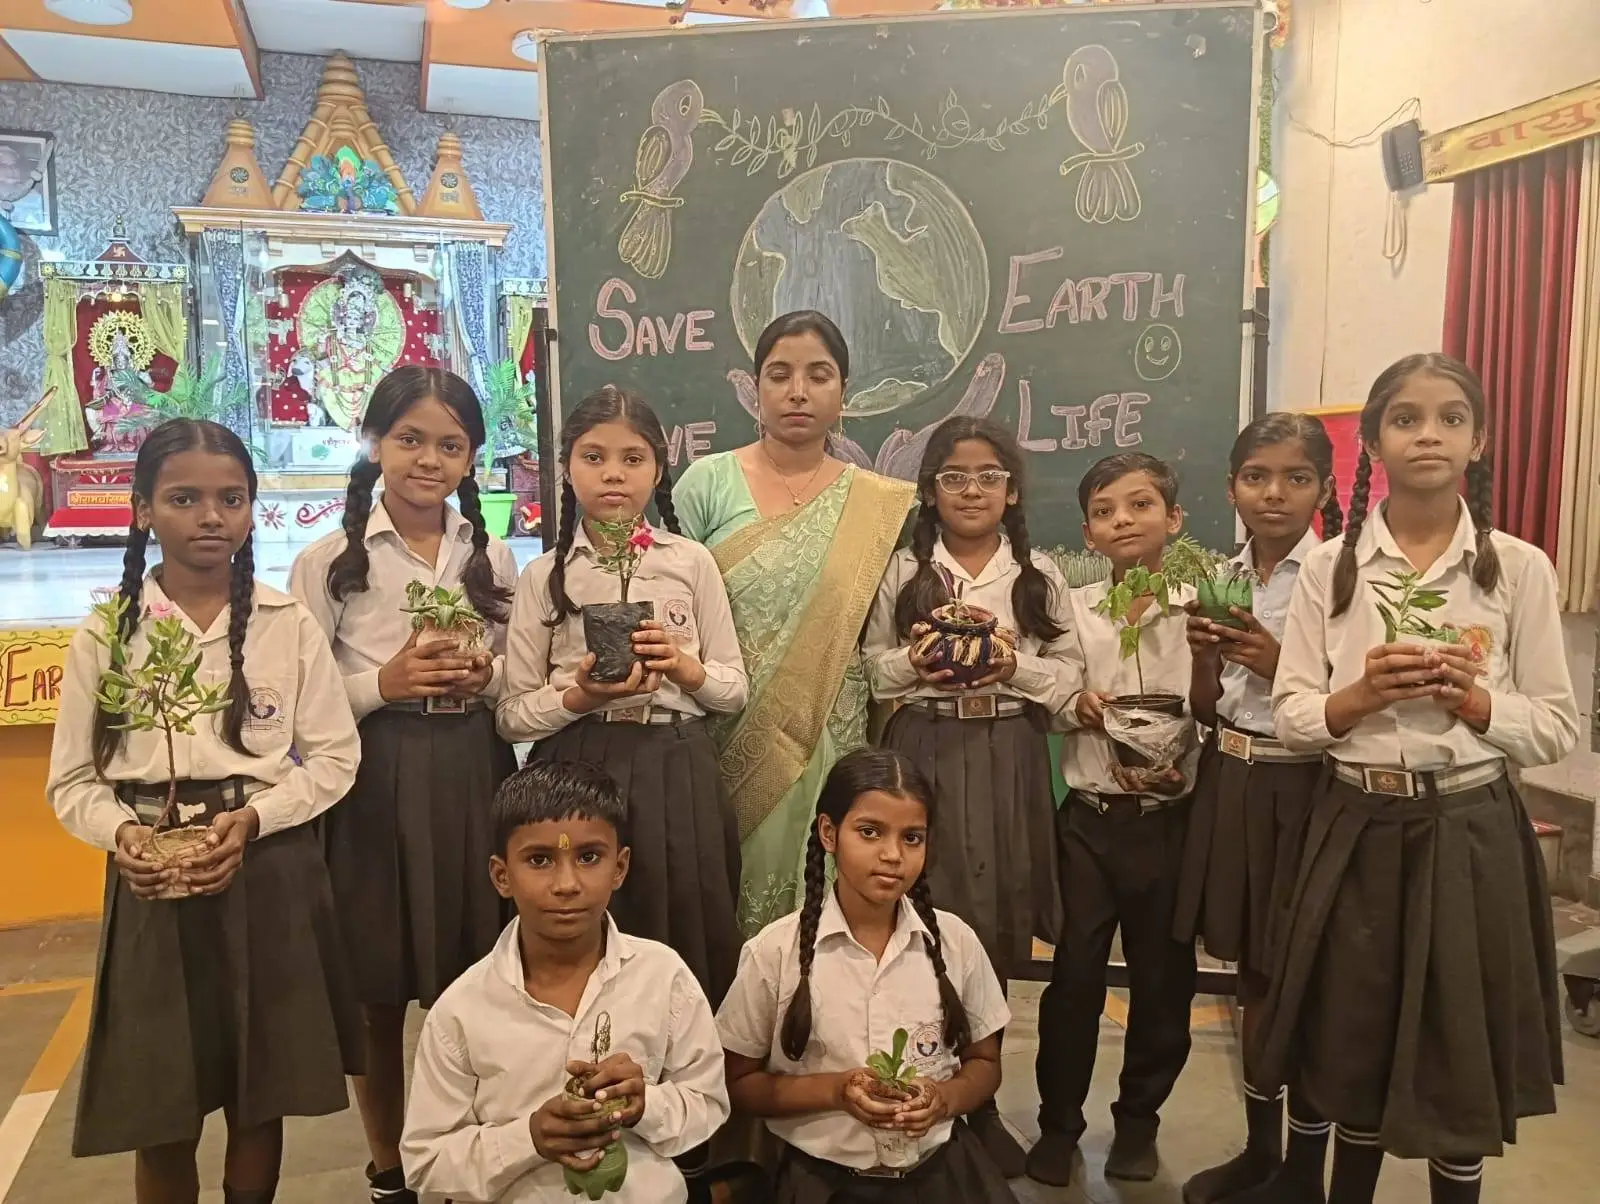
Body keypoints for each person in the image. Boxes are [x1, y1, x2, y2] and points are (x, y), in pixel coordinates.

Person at [1253, 353, 1579, 1204]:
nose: (1428, 435)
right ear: (1372, 443)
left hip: (1469, 829)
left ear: (1480, 440)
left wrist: (1475, 702)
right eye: (1405, 419)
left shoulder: (1519, 567)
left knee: (1456, 1041)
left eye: (1450, 418)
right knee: (1347, 1036)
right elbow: (1291, 715)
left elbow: (1557, 726)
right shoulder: (1332, 566)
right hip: (1355, 825)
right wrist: (1359, 697)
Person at [47, 419, 362, 1204]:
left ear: (253, 508)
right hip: (152, 880)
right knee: (161, 1101)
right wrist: (124, 833)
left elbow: (334, 758)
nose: (211, 517)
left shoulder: (286, 624)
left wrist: (254, 821)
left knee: (262, 1089)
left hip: (267, 868)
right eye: (184, 499)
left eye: (231, 498)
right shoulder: (108, 635)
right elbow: (73, 781)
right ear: (143, 509)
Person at [289, 364, 519, 1204]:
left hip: (472, 773)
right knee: (376, 992)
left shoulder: (492, 556)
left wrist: (485, 677)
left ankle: (476, 1155)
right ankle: (389, 1166)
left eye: (450, 446)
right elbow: (297, 707)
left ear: (472, 458)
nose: (429, 460)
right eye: (409, 439)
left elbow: (517, 679)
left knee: (480, 980)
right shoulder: (328, 562)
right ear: (375, 444)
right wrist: (382, 684)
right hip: (372, 782)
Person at [862, 415, 1078, 1177]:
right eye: (954, 477)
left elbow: (1070, 678)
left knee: (995, 923)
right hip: (925, 747)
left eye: (989, 476)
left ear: (1012, 490)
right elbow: (873, 668)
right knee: (927, 916)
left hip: (1008, 751)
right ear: (930, 490)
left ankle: (980, 1104)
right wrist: (917, 660)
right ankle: (926, 1093)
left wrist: (1013, 664)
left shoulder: (1038, 576)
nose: (972, 490)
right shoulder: (903, 571)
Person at [498, 385, 748, 1004]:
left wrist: (683, 668)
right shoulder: (545, 575)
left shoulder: (690, 562)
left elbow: (734, 690)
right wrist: (578, 698)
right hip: (578, 766)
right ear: (567, 467)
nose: (613, 473)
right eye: (594, 457)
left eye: (633, 458)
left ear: (658, 469)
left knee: (687, 918)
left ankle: (688, 1058)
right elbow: (511, 717)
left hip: (677, 764)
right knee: (585, 928)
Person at [673, 311, 916, 934]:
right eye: (779, 375)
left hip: (829, 726)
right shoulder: (707, 483)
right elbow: (674, 603)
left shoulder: (877, 502)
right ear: (755, 387)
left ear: (844, 392)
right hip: (721, 725)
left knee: (828, 892)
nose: (798, 392)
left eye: (819, 375)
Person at [399, 761, 730, 1203]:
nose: (567, 884)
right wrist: (528, 1138)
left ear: (620, 867)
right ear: (501, 876)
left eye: (589, 857)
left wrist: (645, 1105)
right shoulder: (462, 1010)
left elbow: (708, 1103)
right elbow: (426, 1162)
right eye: (540, 860)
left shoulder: (663, 976)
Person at [716, 748, 1015, 1202]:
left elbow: (985, 1064)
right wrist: (836, 1091)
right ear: (829, 833)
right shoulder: (773, 952)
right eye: (870, 832)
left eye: (912, 838)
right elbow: (738, 1083)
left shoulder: (955, 942)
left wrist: (945, 1099)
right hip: (822, 1183)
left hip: (939, 1175)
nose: (892, 855)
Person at [1172, 413, 1343, 1204]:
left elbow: (1353, 704)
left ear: (1325, 488)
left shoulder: (1341, 576)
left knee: (1304, 974)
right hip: (1232, 777)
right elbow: (1210, 708)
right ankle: (1259, 1150)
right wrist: (1204, 658)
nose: (1274, 494)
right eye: (1256, 477)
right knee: (1251, 973)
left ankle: (1305, 1168)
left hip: (1305, 784)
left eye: (1296, 478)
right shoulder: (1225, 574)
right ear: (1231, 487)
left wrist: (1280, 664)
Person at [1029, 451, 1200, 1188]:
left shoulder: (1200, 610)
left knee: (1164, 983)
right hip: (1090, 822)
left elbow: (1221, 706)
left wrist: (1181, 758)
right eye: (1104, 512)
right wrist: (1080, 707)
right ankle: (1058, 1126)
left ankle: (1138, 1123)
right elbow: (1048, 697)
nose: (1122, 520)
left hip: (1169, 822)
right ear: (1087, 534)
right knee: (1072, 980)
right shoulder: (1072, 611)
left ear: (1174, 518)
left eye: (1139, 505)